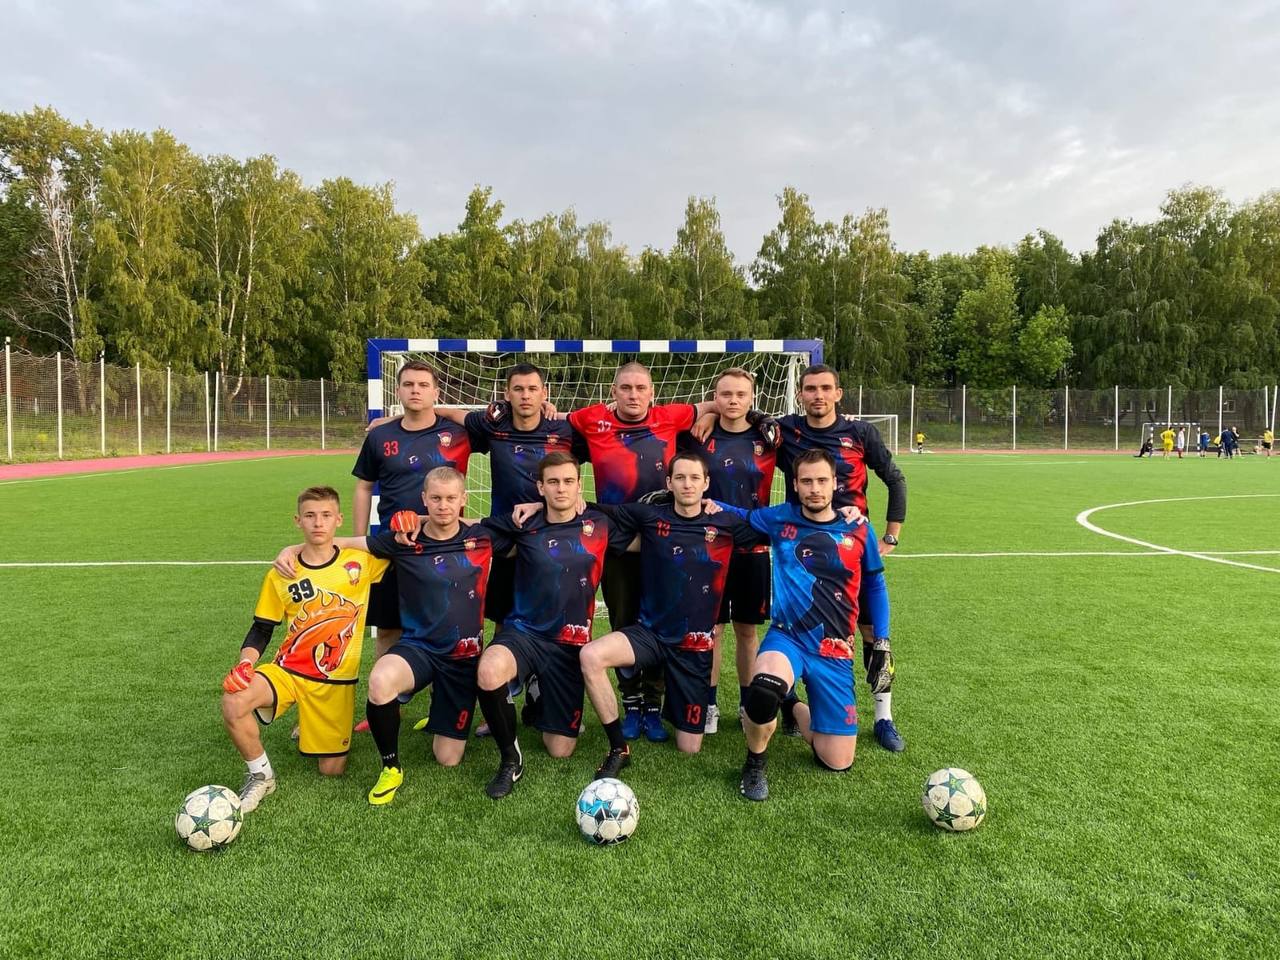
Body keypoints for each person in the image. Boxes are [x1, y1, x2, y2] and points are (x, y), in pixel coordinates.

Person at [696, 364, 906, 751]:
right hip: (799, 543)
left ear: (838, 393)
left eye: (826, 388)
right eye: (810, 389)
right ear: (800, 395)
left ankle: (883, 716)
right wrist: (710, 412)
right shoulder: (787, 431)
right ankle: (787, 700)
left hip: (850, 544)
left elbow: (894, 478)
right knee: (796, 624)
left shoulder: (860, 432)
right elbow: (744, 415)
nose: (818, 395)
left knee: (872, 633)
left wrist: (891, 534)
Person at [275, 467, 501, 805]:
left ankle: (441, 712)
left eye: (450, 498)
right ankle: (391, 767)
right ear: (424, 499)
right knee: (381, 681)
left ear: (463, 500)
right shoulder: (402, 540)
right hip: (418, 648)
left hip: (462, 657)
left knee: (448, 758)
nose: (443, 505)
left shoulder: (482, 537)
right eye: (436, 498)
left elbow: (525, 528)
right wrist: (293, 548)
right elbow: (344, 543)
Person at [579, 450, 767, 777]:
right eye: (680, 477)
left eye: (694, 478)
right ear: (669, 483)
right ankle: (618, 745)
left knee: (689, 747)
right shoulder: (651, 516)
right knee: (591, 656)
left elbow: (775, 527)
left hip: (693, 647)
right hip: (650, 635)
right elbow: (598, 510)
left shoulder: (725, 523)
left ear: (706, 483)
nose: (687, 484)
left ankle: (669, 708)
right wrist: (543, 505)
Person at [716, 450, 890, 801]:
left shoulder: (859, 527)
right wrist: (698, 500)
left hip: (835, 651)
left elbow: (875, 584)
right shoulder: (780, 518)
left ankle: (792, 704)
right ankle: (755, 763)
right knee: (763, 690)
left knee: (836, 760)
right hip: (788, 638)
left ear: (835, 483)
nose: (815, 488)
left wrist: (881, 641)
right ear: (794, 484)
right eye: (807, 481)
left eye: (822, 480)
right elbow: (741, 515)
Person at [558, 363, 718, 742]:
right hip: (617, 539)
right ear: (613, 392)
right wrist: (549, 409)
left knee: (664, 618)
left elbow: (713, 404)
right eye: (626, 388)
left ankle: (653, 704)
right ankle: (631, 703)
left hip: (663, 537)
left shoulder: (671, 416)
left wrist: (710, 416)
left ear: (652, 392)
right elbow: (557, 419)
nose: (633, 394)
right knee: (624, 620)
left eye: (640, 388)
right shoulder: (591, 419)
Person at [471, 452, 632, 799]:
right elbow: (469, 528)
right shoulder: (523, 523)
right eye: (553, 482)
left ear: (579, 485)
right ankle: (510, 760)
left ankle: (537, 692)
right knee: (489, 669)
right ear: (540, 487)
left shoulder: (600, 524)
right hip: (524, 633)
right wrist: (420, 521)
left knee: (560, 748)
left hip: (569, 644)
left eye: (568, 481)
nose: (561, 488)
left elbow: (651, 535)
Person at [220, 486, 388, 813]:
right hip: (289, 670)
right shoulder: (282, 572)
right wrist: (245, 663)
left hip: (335, 682)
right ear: (298, 520)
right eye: (310, 516)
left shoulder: (361, 562)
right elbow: (262, 628)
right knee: (233, 701)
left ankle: (310, 720)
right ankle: (261, 776)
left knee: (331, 770)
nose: (318, 523)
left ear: (339, 519)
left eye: (326, 515)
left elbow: (396, 547)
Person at [350, 361, 470, 732]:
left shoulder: (458, 433)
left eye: (423, 385)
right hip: (394, 547)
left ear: (436, 392)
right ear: (398, 390)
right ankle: (386, 706)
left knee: (444, 626)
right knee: (388, 628)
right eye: (408, 384)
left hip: (445, 548)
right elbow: (363, 487)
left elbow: (503, 425)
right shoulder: (380, 437)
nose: (415, 390)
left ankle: (441, 706)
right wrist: (359, 541)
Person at [677, 367, 776, 734]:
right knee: (712, 631)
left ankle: (748, 703)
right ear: (714, 397)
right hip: (709, 547)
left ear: (752, 399)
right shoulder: (697, 436)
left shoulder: (768, 438)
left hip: (753, 547)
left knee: (747, 631)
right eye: (725, 394)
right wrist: (705, 415)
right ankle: (709, 703)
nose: (733, 400)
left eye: (740, 394)